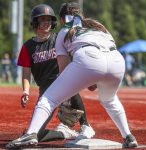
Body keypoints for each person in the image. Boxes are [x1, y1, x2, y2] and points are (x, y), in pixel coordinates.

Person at [6, 2, 138, 149]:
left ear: (61, 19)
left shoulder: (63, 32)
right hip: (117, 60)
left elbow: (64, 70)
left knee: (48, 99)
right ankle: (128, 136)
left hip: (89, 58)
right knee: (110, 100)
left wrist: (67, 97)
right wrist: (93, 78)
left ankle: (31, 133)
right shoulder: (97, 25)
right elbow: (107, 47)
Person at [6, 4, 95, 149]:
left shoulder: (58, 39)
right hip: (46, 91)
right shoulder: (28, 47)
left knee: (70, 83)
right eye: (42, 20)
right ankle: (64, 133)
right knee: (35, 134)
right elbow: (26, 72)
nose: (46, 23)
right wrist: (25, 91)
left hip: (61, 80)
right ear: (35, 23)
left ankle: (85, 125)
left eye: (49, 20)